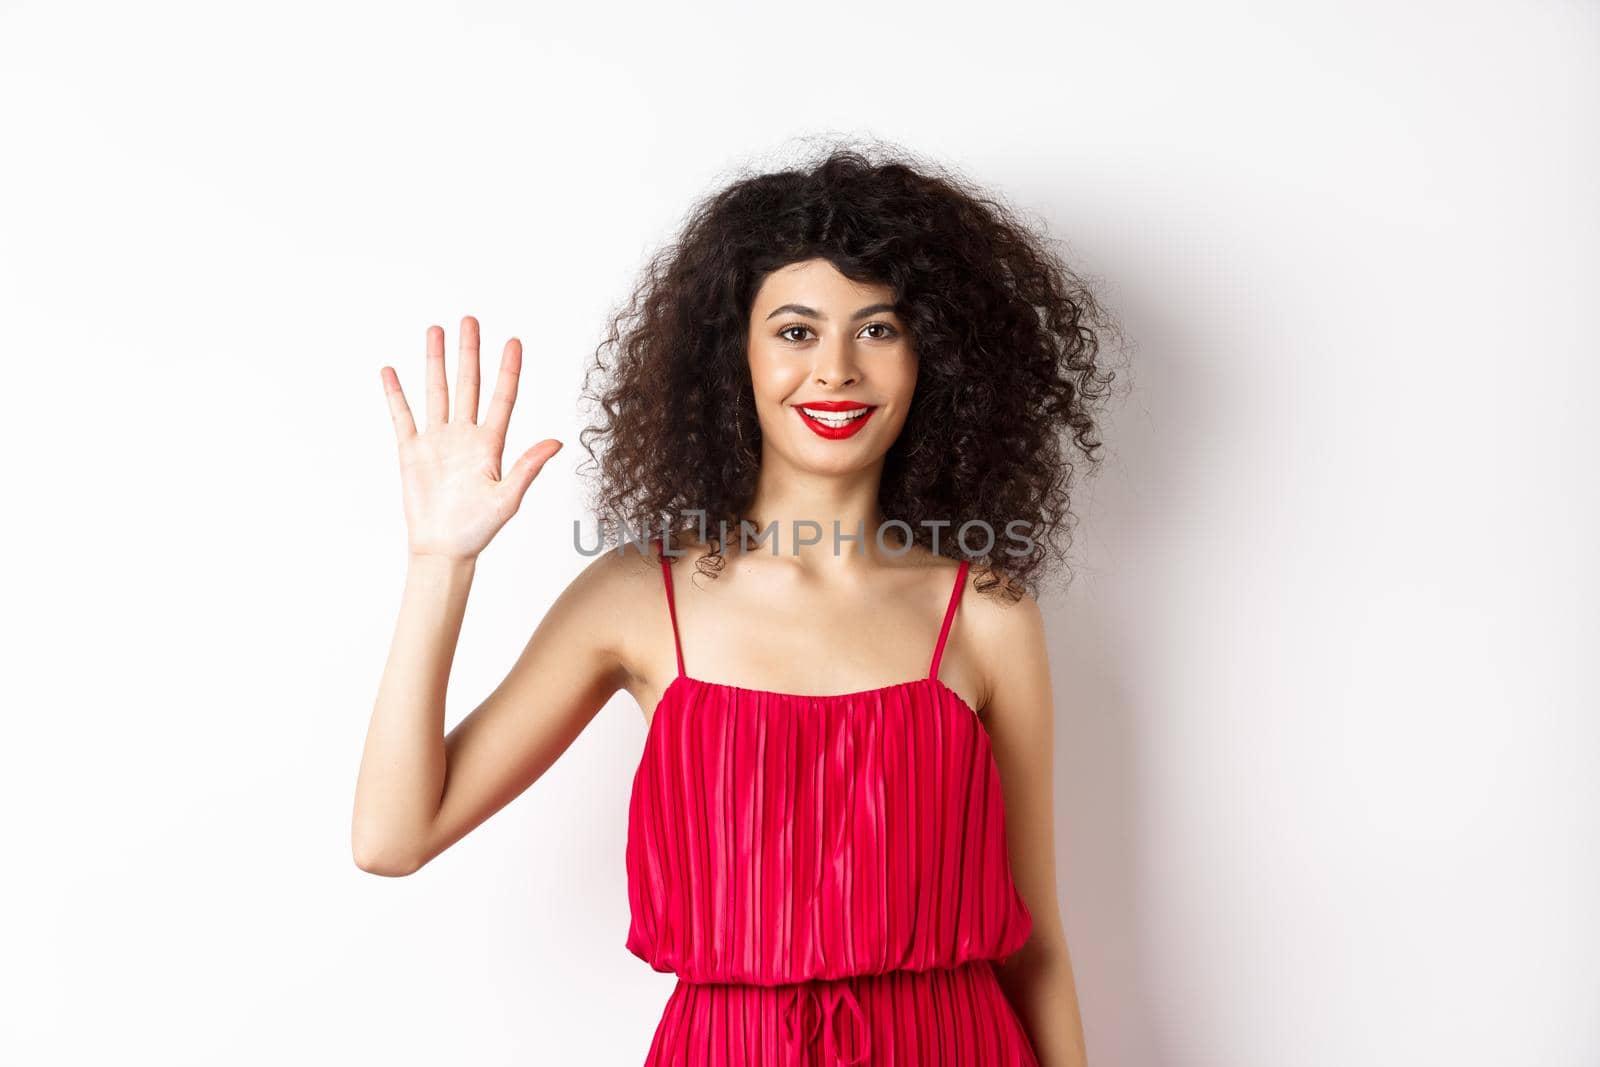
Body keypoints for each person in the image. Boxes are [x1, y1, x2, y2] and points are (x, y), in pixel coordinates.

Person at [352, 143, 1115, 1066]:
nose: (836, 370)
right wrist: (439, 562)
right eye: (796, 331)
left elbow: (1036, 945)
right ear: (735, 355)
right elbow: (393, 838)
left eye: (878, 329)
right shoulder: (636, 599)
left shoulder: (986, 611)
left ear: (934, 359)